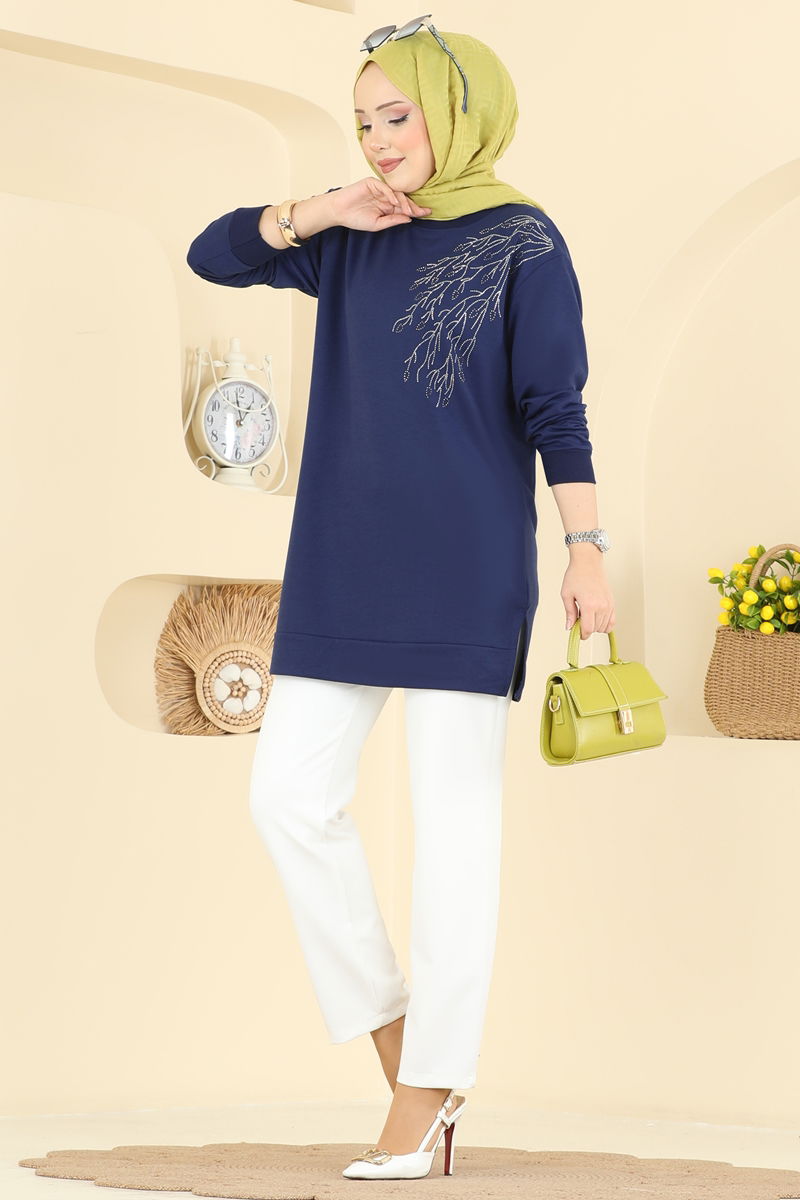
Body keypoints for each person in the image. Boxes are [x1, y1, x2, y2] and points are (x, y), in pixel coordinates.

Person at [186, 18, 615, 1181]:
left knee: (452, 832)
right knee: (287, 799)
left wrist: (584, 550)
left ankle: (427, 1089)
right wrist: (321, 208)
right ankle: (403, 1043)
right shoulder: (348, 235)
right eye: (362, 121)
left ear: (459, 112)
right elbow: (213, 256)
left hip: (465, 568)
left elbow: (554, 407)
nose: (377, 141)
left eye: (396, 116)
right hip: (341, 562)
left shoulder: (524, 241)